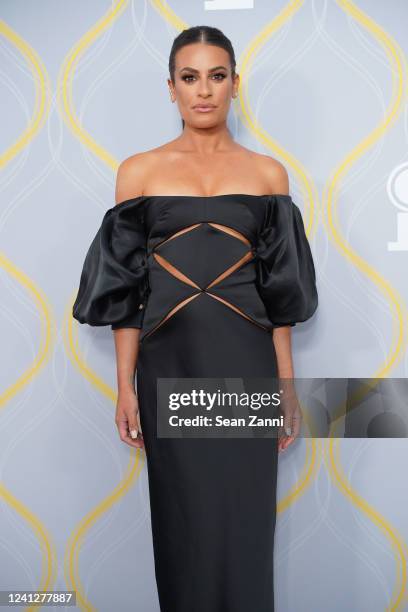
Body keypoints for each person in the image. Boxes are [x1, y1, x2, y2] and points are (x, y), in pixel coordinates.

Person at [72, 25, 318, 612]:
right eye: (190, 77)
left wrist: (285, 388)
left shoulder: (268, 176)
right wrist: (125, 386)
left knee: (245, 524)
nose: (203, 90)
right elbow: (125, 293)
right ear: (172, 88)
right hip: (170, 369)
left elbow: (280, 297)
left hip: (248, 368)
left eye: (216, 76)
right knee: (184, 526)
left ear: (235, 85)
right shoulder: (138, 173)